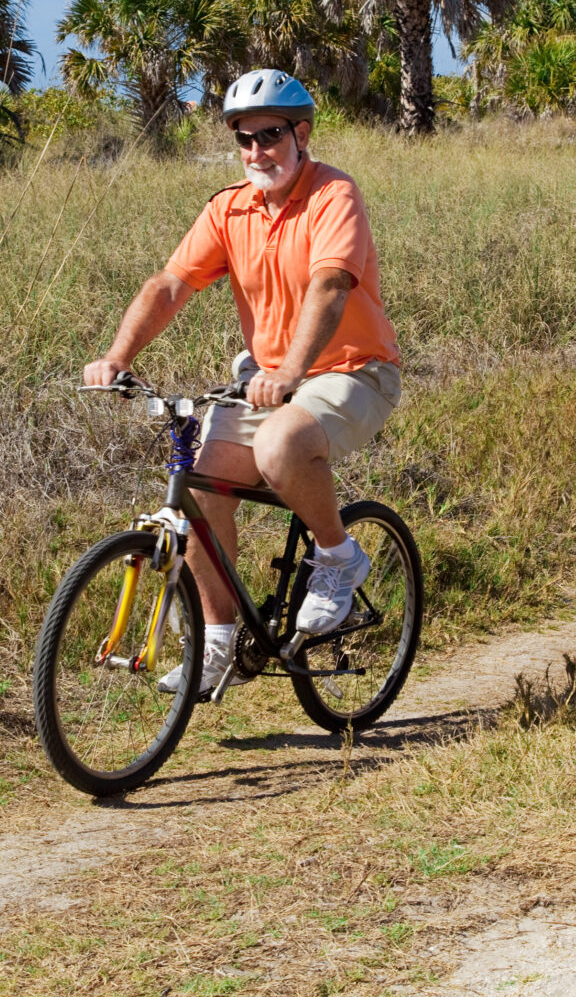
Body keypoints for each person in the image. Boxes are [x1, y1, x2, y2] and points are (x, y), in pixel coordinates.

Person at [83, 70, 403, 693]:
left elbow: (331, 285)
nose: (257, 151)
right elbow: (171, 285)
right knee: (202, 491)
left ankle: (339, 557)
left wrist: (290, 371)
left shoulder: (333, 195)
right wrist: (117, 355)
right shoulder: (229, 209)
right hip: (267, 379)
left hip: (354, 370)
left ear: (301, 133)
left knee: (280, 445)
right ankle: (219, 641)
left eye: (271, 135)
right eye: (244, 138)